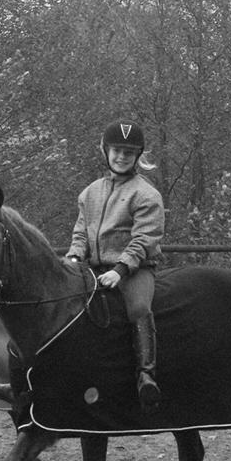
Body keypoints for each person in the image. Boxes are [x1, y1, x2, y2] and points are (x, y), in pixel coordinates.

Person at [65, 120, 165, 411]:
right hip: (93, 267)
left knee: (137, 307)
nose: (121, 157)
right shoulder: (89, 193)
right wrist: (73, 258)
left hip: (134, 269)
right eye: (117, 150)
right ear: (105, 151)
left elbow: (144, 239)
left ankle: (146, 375)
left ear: (137, 156)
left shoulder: (146, 195)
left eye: (128, 152)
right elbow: (81, 233)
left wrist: (120, 269)